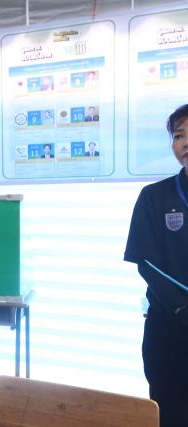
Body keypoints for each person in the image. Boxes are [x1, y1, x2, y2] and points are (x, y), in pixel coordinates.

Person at [124, 104, 188, 427]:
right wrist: (182, 307)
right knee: (169, 410)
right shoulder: (154, 197)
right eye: (179, 136)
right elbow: (146, 262)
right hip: (169, 328)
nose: (185, 143)